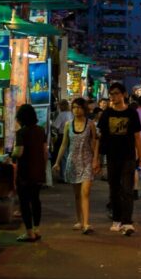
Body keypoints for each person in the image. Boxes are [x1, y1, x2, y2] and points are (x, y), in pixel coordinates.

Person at [96, 82, 141, 236]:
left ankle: (127, 222)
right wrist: (97, 159)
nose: (114, 97)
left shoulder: (131, 113)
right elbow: (100, 138)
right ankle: (117, 219)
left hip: (128, 156)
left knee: (127, 189)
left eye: (116, 93)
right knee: (114, 189)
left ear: (124, 94)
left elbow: (138, 137)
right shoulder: (106, 114)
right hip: (112, 157)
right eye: (111, 94)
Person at [54, 98, 99, 234]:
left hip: (86, 161)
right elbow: (64, 144)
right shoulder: (68, 125)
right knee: (77, 195)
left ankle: (86, 223)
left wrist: (96, 160)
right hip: (72, 162)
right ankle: (80, 221)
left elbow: (95, 142)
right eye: (74, 107)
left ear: (84, 109)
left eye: (79, 107)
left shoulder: (90, 124)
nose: (76, 110)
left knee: (85, 193)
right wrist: (57, 162)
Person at [11, 104, 47, 242]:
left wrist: (11, 155)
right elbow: (44, 151)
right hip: (38, 170)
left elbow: (19, 152)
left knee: (24, 202)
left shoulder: (21, 132)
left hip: (25, 171)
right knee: (36, 199)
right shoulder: (40, 130)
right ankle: (37, 229)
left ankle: (29, 232)